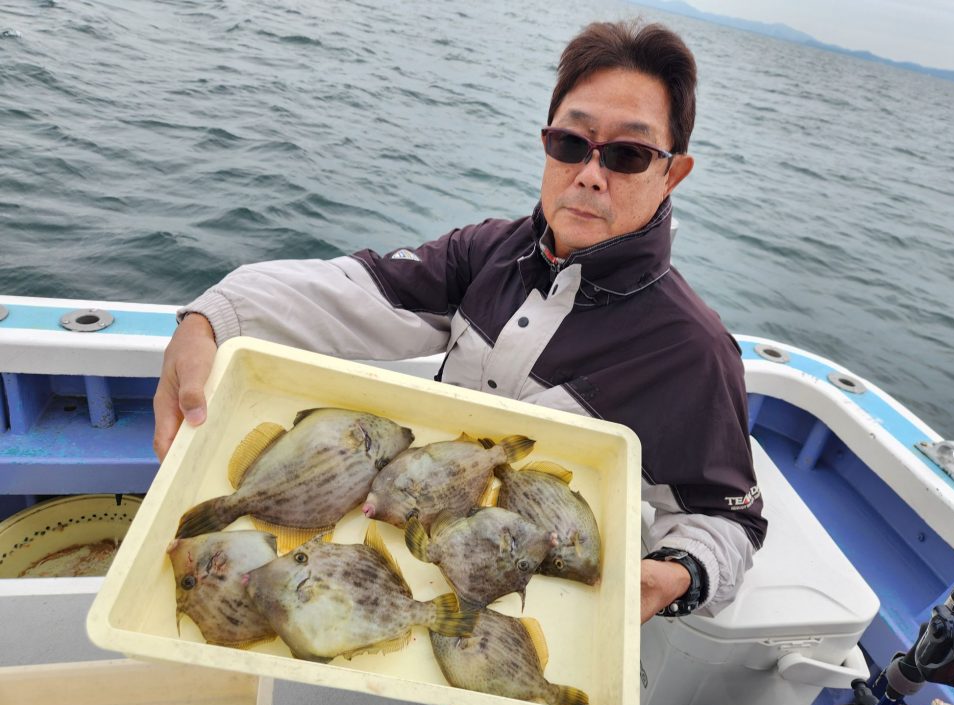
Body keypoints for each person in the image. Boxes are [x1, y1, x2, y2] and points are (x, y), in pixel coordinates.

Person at [153, 20, 766, 624]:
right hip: (406, 544)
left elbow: (729, 520)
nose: (589, 173)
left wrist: (680, 572)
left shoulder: (693, 351)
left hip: (539, 598)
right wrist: (213, 318)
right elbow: (357, 290)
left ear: (671, 174)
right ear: (548, 144)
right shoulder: (490, 252)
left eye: (629, 155)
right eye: (571, 143)